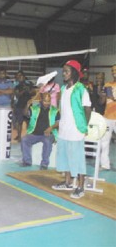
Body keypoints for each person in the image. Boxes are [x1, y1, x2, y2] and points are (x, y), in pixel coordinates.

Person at [52, 60, 91, 199]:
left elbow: (87, 109)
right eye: (64, 71)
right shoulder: (63, 89)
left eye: (67, 71)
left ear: (74, 73)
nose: (64, 74)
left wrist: (84, 126)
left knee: (78, 158)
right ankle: (67, 182)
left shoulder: (81, 89)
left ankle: (81, 186)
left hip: (76, 129)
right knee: (64, 156)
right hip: (64, 129)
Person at [20, 93, 60, 170]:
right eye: (45, 101)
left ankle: (44, 164)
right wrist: (27, 105)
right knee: (25, 140)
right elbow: (25, 114)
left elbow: (58, 122)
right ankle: (27, 161)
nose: (47, 103)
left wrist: (51, 128)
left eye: (49, 101)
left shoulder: (55, 110)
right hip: (34, 133)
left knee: (47, 142)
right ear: (41, 100)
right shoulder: (34, 108)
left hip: (49, 133)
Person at [99, 64, 116, 171]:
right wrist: (102, 96)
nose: (114, 71)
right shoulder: (107, 84)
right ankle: (105, 164)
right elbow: (102, 102)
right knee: (104, 142)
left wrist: (113, 98)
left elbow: (112, 99)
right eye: (113, 70)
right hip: (108, 117)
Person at [13, 70, 35, 141]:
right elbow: (17, 95)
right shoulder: (17, 86)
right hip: (19, 106)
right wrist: (23, 91)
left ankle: (29, 136)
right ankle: (19, 136)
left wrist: (29, 91)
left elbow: (34, 92)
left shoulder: (30, 84)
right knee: (20, 122)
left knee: (28, 122)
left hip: (28, 106)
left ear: (24, 77)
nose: (19, 77)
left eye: (21, 76)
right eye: (18, 76)